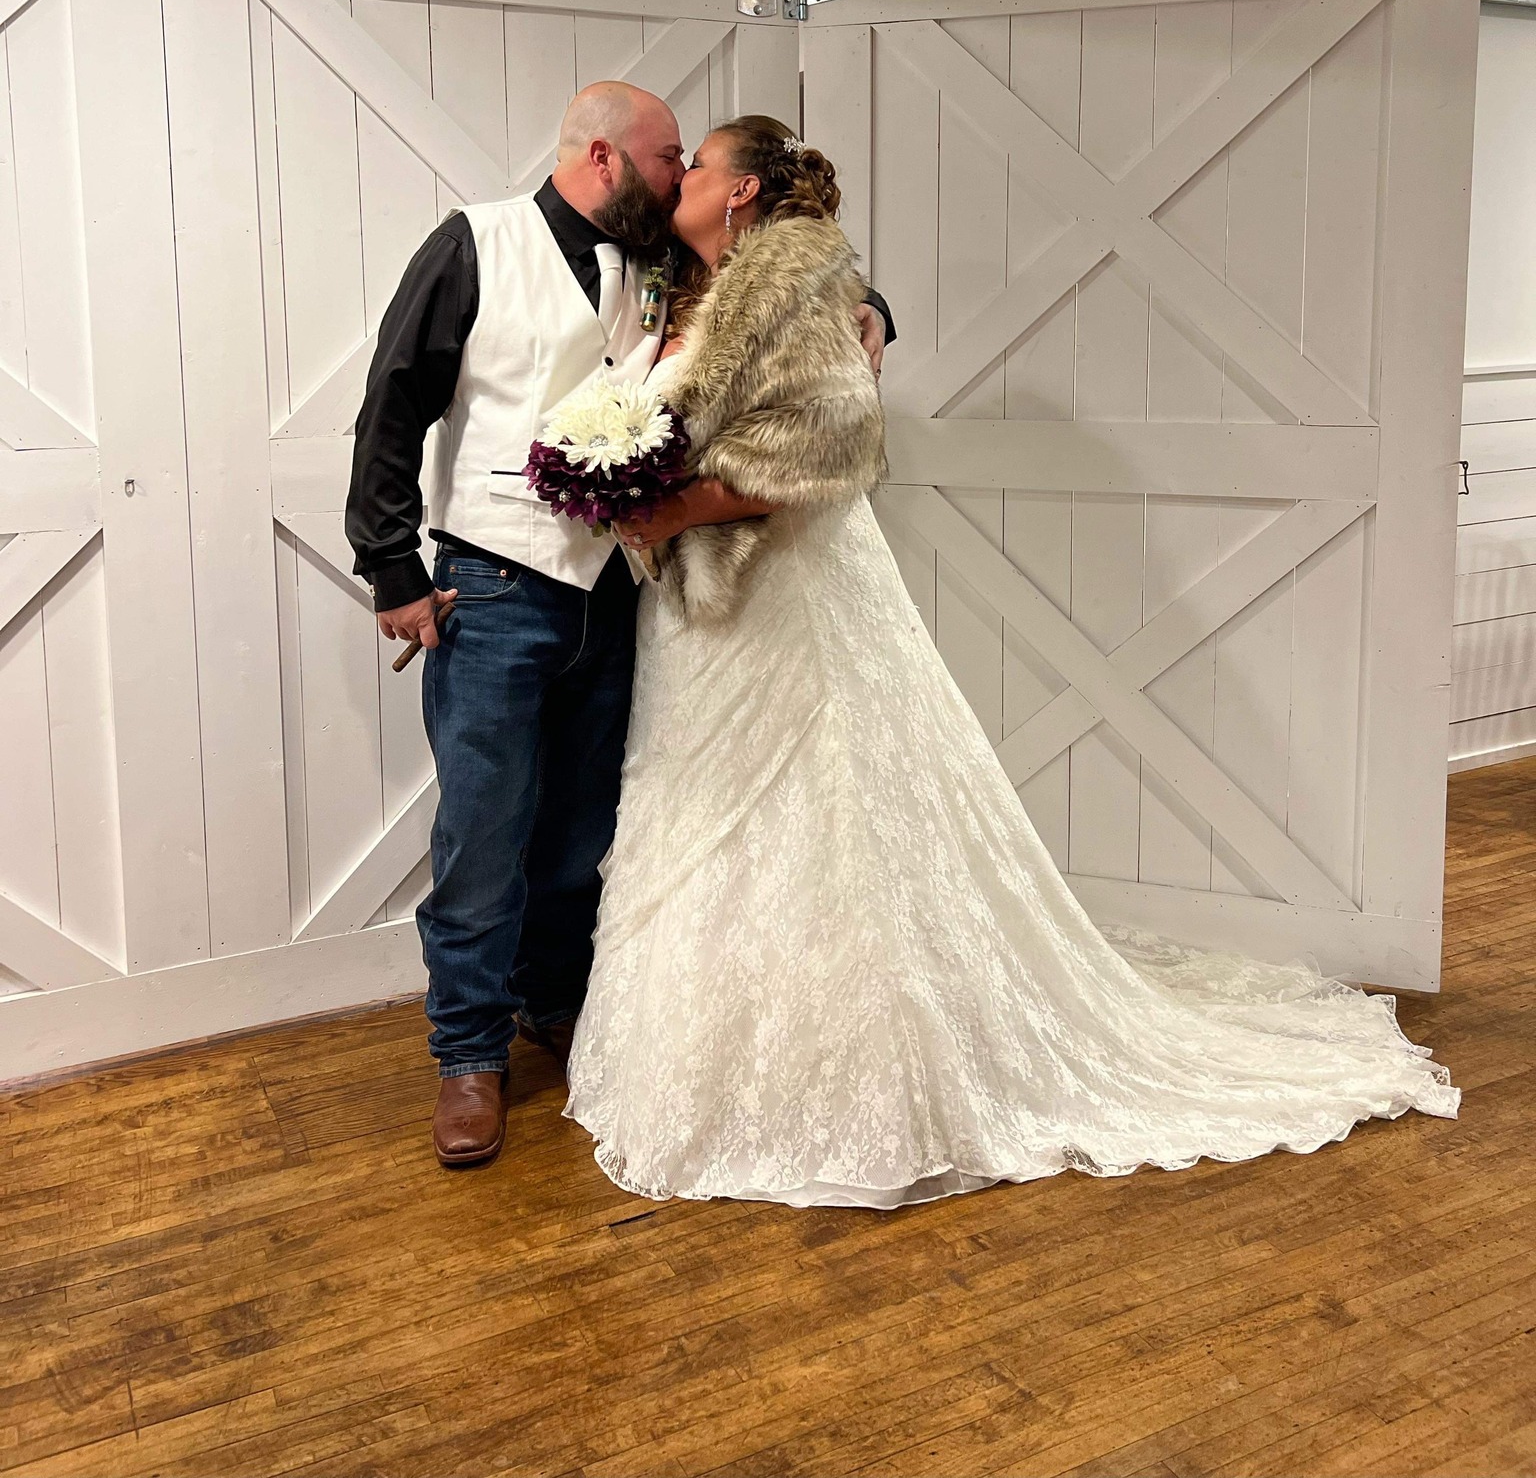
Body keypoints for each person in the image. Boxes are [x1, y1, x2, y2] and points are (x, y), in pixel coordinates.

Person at [564, 115, 1460, 1209]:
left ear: (743, 191)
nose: (680, 181)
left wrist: (669, 507)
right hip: (697, 623)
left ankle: (867, 1077)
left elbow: (825, 448)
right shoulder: (675, 284)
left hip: (787, 601)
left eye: (697, 165)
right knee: (699, 812)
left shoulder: (792, 286)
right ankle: (704, 1056)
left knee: (828, 814)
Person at [345, 82, 892, 1169]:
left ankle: (555, 1001)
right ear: (604, 155)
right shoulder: (473, 244)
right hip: (493, 586)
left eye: (693, 161)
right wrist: (392, 568)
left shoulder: (661, 257)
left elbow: (779, 276)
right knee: (483, 834)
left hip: (620, 594)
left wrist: (873, 308)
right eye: (667, 155)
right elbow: (393, 404)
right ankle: (467, 1051)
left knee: (584, 830)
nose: (681, 173)